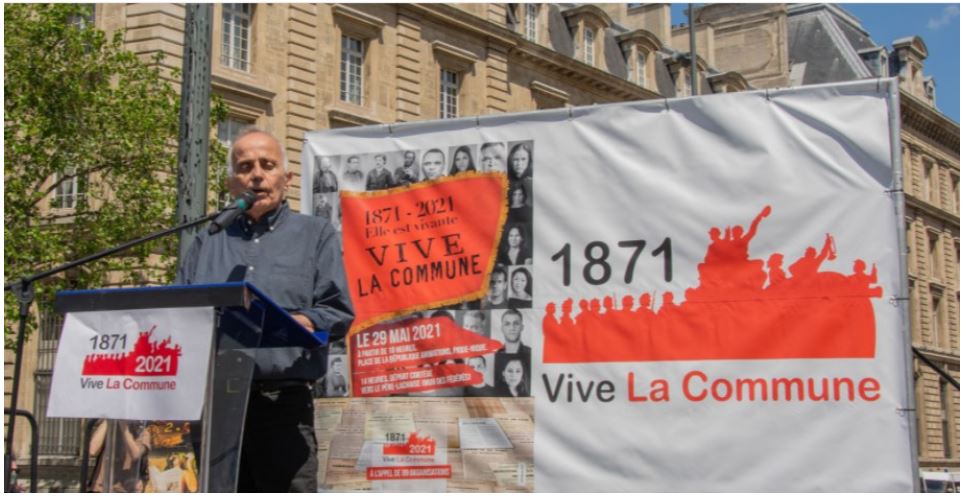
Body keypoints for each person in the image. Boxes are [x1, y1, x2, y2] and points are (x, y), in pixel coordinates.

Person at [176, 127, 354, 492]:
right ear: (231, 184)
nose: (256, 174)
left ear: (285, 179)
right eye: (245, 167)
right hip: (215, 406)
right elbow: (179, 315)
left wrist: (299, 321)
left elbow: (338, 312)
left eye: (267, 165)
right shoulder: (206, 241)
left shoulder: (315, 234)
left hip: (282, 406)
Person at [88, 420, 151, 492]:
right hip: (102, 487)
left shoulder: (142, 433)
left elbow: (135, 455)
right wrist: (109, 419)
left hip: (126, 489)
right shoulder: (111, 428)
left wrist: (124, 429)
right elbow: (92, 450)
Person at [493, 309, 531, 396]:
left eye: (516, 323)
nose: (512, 328)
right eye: (507, 324)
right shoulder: (496, 353)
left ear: (522, 327)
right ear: (502, 328)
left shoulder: (530, 352)